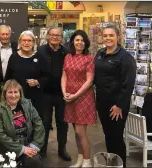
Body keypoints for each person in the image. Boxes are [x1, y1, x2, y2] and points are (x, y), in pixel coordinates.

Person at [94, 24, 136, 167]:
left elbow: (128, 85)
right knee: (108, 136)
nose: (108, 38)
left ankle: (121, 165)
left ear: (118, 37)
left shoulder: (125, 58)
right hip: (102, 103)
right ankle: (112, 163)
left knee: (116, 137)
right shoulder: (100, 53)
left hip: (116, 105)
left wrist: (119, 106)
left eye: (111, 35)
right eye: (105, 35)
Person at [61, 30, 96, 167]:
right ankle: (80, 159)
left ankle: (87, 161)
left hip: (83, 97)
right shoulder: (68, 57)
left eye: (82, 40)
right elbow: (64, 76)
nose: (79, 42)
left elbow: (89, 81)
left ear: (85, 42)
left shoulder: (89, 58)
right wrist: (64, 92)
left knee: (80, 131)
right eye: (77, 40)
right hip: (69, 97)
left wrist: (75, 95)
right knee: (75, 132)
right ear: (73, 42)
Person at [37, 27, 71, 160]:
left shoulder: (67, 52)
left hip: (62, 94)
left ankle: (62, 150)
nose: (55, 37)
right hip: (45, 93)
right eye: (52, 35)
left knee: (62, 122)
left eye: (58, 35)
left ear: (61, 38)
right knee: (44, 122)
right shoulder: (40, 51)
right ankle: (42, 150)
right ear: (48, 36)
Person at [0, 79, 45, 168]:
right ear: (5, 94)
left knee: (34, 161)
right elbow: (0, 135)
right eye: (10, 92)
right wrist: (21, 149)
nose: (13, 95)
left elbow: (38, 124)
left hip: (28, 145)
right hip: (7, 148)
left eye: (16, 92)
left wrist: (35, 145)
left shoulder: (27, 104)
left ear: (20, 93)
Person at [4, 31, 50, 120]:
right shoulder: (13, 57)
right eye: (24, 40)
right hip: (16, 99)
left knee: (34, 125)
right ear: (20, 42)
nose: (26, 43)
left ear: (33, 43)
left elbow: (48, 77)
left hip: (35, 99)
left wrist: (38, 82)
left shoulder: (40, 57)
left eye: (29, 41)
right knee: (18, 126)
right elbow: (7, 78)